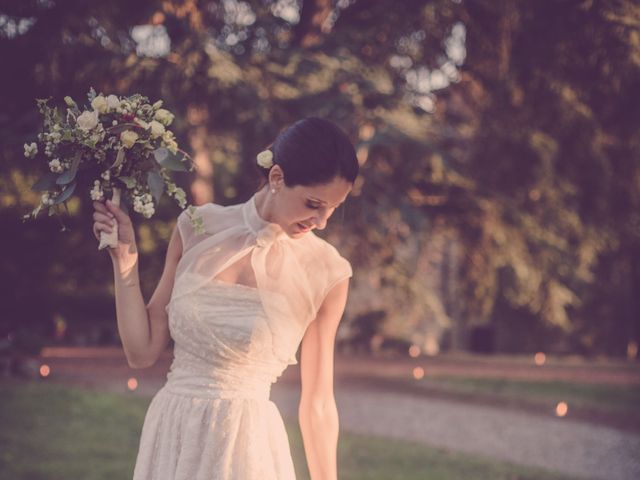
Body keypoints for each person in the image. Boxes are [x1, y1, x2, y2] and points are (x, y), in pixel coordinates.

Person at [92, 117, 359, 480]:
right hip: (173, 435)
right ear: (277, 177)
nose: (322, 220)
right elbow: (141, 353)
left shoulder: (327, 272)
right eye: (314, 204)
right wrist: (124, 259)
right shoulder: (196, 226)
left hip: (246, 447)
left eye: (331, 208)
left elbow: (318, 403)